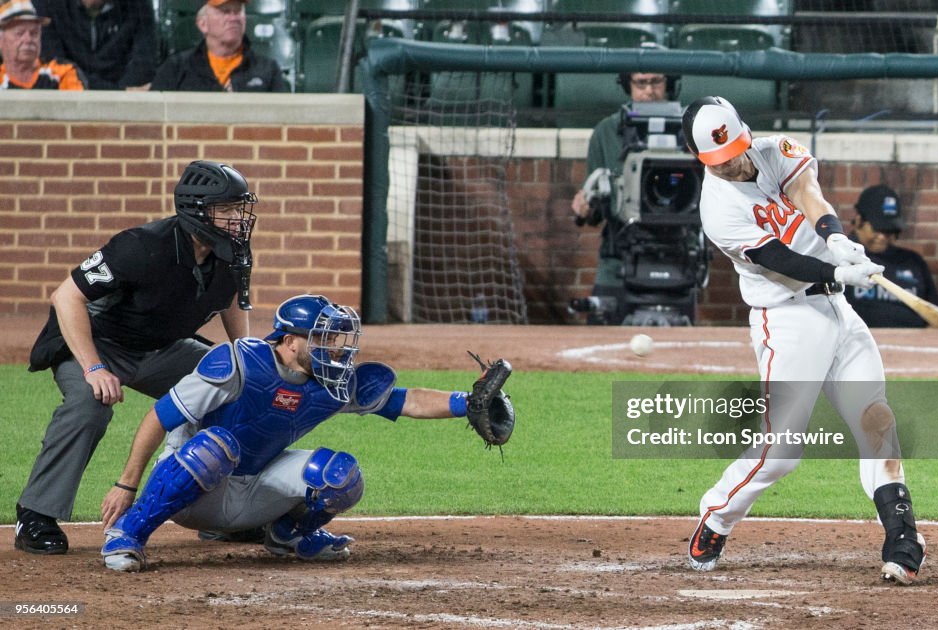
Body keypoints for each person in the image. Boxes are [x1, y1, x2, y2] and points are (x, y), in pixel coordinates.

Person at [680, 96, 926, 585]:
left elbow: (810, 194)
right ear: (700, 158)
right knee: (781, 452)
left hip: (836, 307)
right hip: (786, 318)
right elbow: (779, 260)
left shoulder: (775, 150)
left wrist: (835, 238)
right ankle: (717, 515)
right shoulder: (717, 208)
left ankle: (902, 535)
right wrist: (838, 268)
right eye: (717, 160)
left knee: (875, 416)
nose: (730, 165)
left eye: (734, 153)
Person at [98, 295, 499, 572]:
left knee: (340, 474)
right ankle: (129, 533)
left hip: (257, 489)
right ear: (289, 342)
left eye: (337, 340)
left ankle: (290, 534)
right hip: (194, 490)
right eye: (323, 340)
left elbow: (405, 400)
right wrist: (126, 484)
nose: (337, 350)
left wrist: (467, 401)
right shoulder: (239, 364)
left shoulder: (331, 382)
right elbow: (159, 415)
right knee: (216, 445)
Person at [15, 160, 258, 556]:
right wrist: (93, 368)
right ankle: (36, 515)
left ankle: (217, 517)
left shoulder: (231, 251)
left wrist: (244, 356)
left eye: (238, 208)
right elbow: (67, 297)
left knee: (235, 388)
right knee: (88, 404)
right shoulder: (141, 246)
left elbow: (230, 299)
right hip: (98, 343)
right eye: (227, 209)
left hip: (162, 348)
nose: (238, 219)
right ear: (197, 209)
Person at [570, 70, 678, 324]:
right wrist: (586, 203)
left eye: (656, 81)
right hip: (618, 258)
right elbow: (595, 210)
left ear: (669, 83)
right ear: (627, 85)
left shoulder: (689, 128)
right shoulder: (607, 131)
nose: (649, 91)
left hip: (676, 258)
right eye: (641, 83)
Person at [844, 185, 938, 327]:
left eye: (889, 230)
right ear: (859, 221)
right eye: (877, 229)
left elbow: (934, 316)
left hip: (914, 344)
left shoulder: (913, 262)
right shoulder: (841, 258)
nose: (882, 237)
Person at [149, 0, 288, 93]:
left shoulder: (267, 69)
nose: (233, 18)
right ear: (203, 24)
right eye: (225, 11)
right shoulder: (176, 68)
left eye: (238, 11)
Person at [35, 0, 157, 90]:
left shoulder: (139, 6)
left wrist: (122, 97)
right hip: (67, 99)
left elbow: (143, 63)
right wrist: (117, 92)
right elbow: (55, 66)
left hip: (127, 105)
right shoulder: (47, 5)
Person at [0, 0, 85, 90]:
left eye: (34, 33)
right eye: (19, 33)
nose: (28, 39)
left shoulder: (63, 73)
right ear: (1, 40)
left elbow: (80, 103)